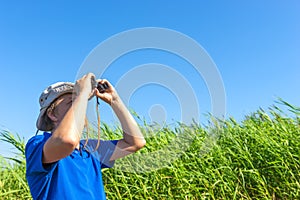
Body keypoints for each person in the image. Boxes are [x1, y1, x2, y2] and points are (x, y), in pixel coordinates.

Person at [25, 73, 146, 199]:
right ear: (52, 114)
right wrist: (82, 94)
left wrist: (114, 100)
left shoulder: (91, 149)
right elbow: (67, 141)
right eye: (72, 102)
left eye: (80, 103)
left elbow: (135, 142)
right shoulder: (37, 144)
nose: (80, 107)